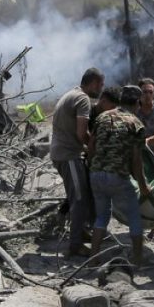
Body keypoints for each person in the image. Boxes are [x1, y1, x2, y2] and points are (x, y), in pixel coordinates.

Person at [88, 85, 150, 265]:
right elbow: (136, 161)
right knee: (134, 216)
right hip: (118, 177)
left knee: (101, 216)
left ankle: (93, 257)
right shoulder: (135, 124)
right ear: (138, 103)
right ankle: (138, 258)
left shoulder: (102, 117)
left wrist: (94, 166)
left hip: (96, 175)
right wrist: (143, 185)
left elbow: (91, 147)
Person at [51, 68, 104, 256]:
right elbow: (81, 133)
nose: (101, 88)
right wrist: (93, 146)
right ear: (94, 83)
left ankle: (81, 232)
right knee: (79, 199)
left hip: (63, 153)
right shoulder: (83, 99)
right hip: (68, 155)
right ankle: (75, 244)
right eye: (101, 84)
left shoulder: (71, 94)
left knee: (82, 195)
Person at [135, 78, 154, 142]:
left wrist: (148, 141)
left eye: (151, 92)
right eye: (145, 92)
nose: (148, 95)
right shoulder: (135, 109)